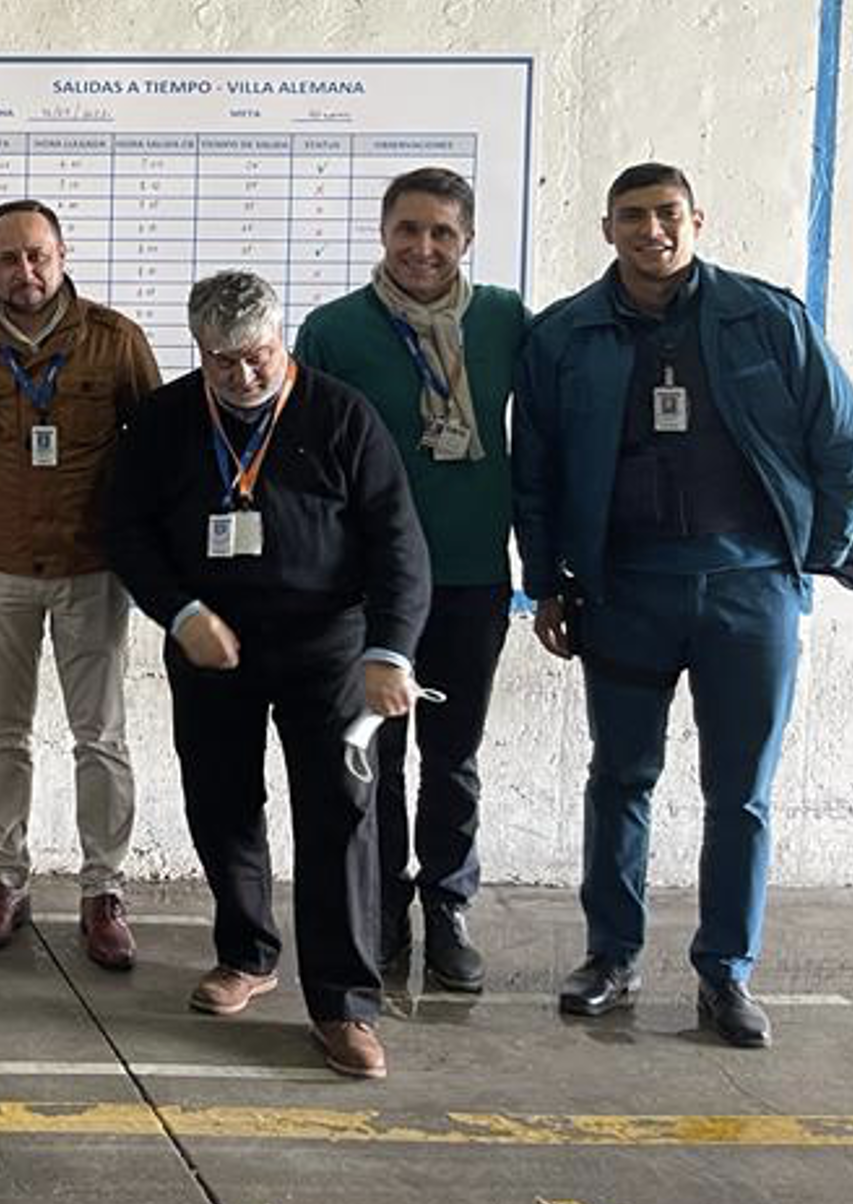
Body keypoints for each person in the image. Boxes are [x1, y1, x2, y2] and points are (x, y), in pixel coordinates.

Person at [514, 163, 853, 1049]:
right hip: (625, 591)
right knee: (619, 778)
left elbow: (839, 441)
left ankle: (726, 974)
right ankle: (610, 957)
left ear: (697, 219)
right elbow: (536, 471)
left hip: (751, 590)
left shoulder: (768, 318)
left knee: (740, 794)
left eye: (667, 214)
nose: (651, 231)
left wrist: (821, 557)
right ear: (606, 228)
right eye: (632, 216)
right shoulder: (564, 336)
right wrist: (546, 581)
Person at [105, 270, 428, 1080]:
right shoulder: (165, 420)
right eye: (224, 363)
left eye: (259, 357)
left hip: (329, 647)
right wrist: (179, 613)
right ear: (199, 353)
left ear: (282, 341)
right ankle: (246, 952)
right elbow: (126, 529)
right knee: (220, 802)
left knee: (341, 818)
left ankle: (344, 1005)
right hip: (213, 645)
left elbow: (398, 542)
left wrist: (390, 651)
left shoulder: (340, 414)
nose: (244, 377)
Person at [295, 166, 524, 993]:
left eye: (442, 234)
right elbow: (309, 468)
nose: (423, 248)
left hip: (470, 576)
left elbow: (535, 443)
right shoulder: (334, 330)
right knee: (374, 756)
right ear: (383, 233)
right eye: (408, 231)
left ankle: (447, 906)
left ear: (467, 241)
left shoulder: (505, 321)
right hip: (370, 587)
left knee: (454, 757)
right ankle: (382, 906)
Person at [0, 198, 159, 968]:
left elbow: (153, 451)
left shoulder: (115, 341)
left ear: (61, 256)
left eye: (37, 255)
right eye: (7, 258)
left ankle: (104, 889)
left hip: (91, 568)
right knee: (4, 730)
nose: (23, 272)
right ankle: (5, 878)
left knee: (99, 737)